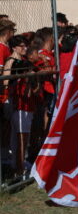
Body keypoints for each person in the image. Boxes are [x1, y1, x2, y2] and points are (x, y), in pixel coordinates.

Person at [3, 35, 40, 177]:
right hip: (19, 104)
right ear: (14, 48)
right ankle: (19, 169)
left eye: (25, 46)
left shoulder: (23, 61)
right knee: (20, 138)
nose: (25, 48)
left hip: (27, 102)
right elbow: (6, 84)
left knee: (23, 136)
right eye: (22, 46)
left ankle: (19, 165)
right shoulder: (11, 62)